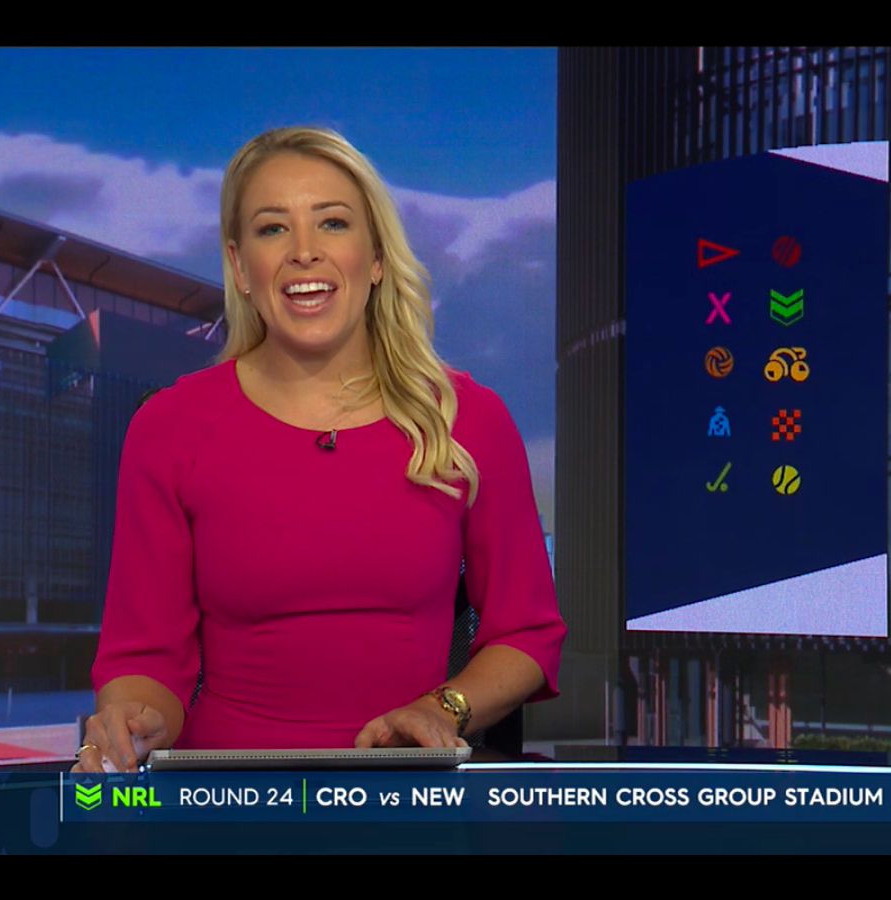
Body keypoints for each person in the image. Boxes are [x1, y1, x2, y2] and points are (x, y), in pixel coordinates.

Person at [74, 127, 566, 773]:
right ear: (240, 267)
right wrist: (134, 723)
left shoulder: (467, 418)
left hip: (406, 791)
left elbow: (527, 632)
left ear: (377, 258)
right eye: (273, 229)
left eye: (332, 223)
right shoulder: (169, 426)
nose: (304, 252)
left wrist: (442, 709)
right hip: (228, 797)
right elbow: (146, 658)